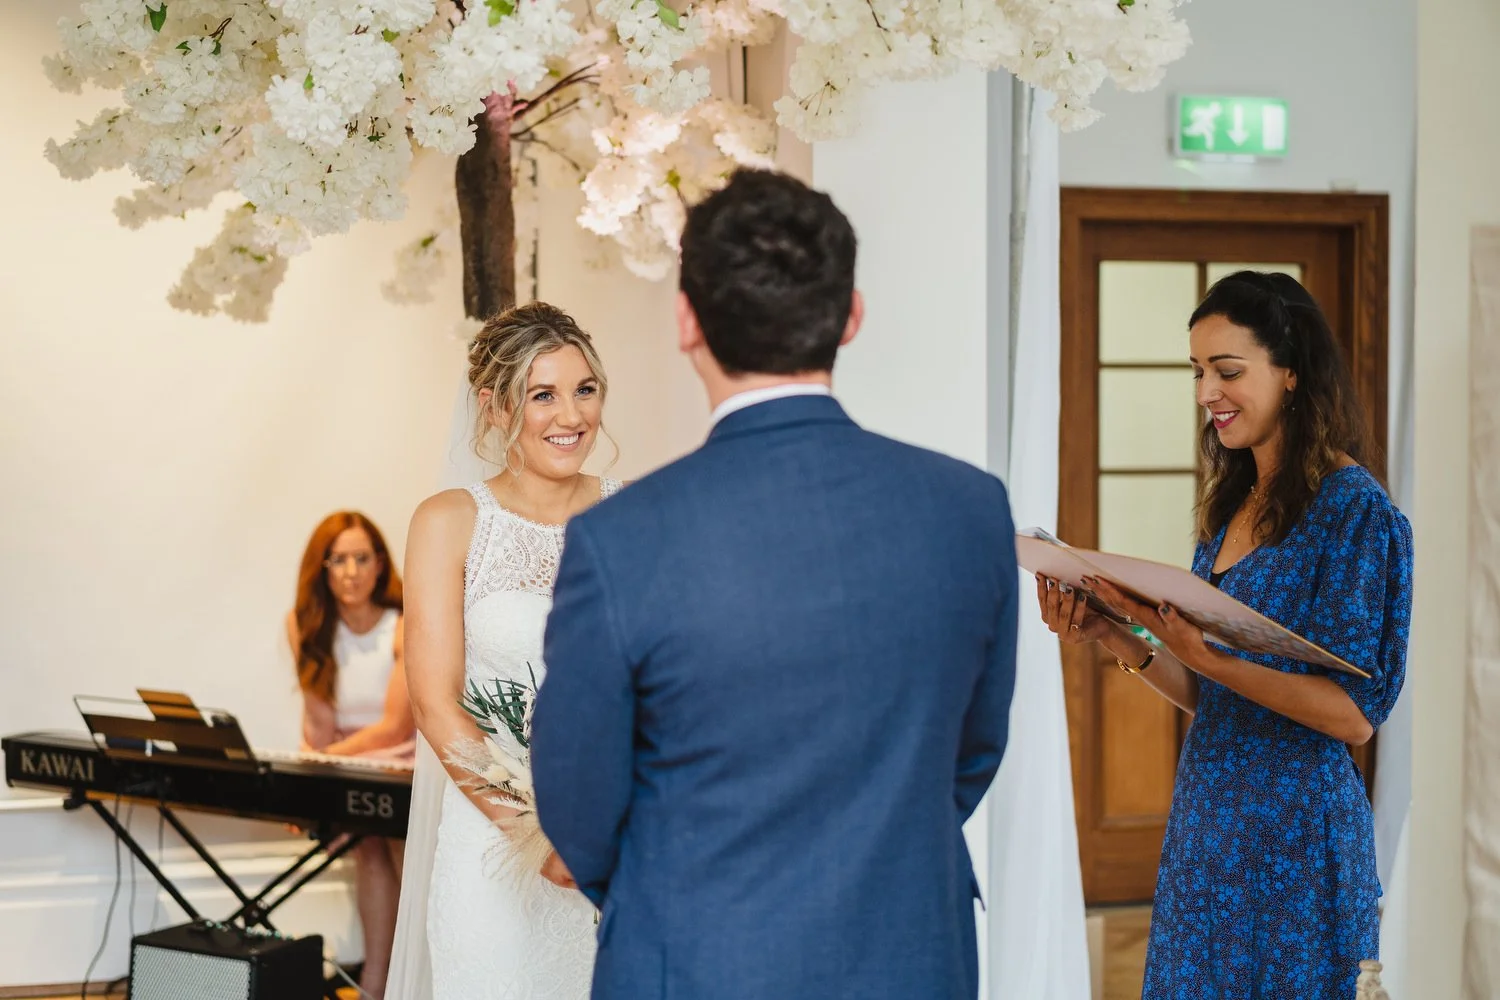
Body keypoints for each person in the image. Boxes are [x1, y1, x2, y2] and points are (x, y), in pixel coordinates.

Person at [530, 168, 1020, 1000]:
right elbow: (973, 751)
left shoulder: (622, 539)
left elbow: (577, 799)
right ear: (852, 316)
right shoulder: (970, 510)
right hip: (910, 955)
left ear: (686, 321)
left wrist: (674, 900)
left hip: (694, 958)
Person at [1034, 271, 1413, 997]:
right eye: (1199, 371)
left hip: (1299, 841)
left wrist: (1208, 657)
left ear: (1292, 373)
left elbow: (1353, 717)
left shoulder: (1356, 513)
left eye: (1228, 370)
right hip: (1208, 826)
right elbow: (1215, 694)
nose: (1208, 391)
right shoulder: (1231, 508)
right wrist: (1116, 634)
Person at [388, 302, 620, 1000]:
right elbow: (435, 701)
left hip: (614, 841)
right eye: (541, 394)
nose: (570, 416)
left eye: (584, 389)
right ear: (493, 407)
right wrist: (532, 833)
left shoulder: (636, 513)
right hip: (492, 843)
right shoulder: (449, 521)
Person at [287, 511, 412, 1000]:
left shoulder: (403, 625)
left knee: (402, 847)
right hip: (346, 762)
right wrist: (302, 782)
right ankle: (376, 985)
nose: (351, 571)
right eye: (338, 560)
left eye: (362, 558)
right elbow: (318, 726)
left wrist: (323, 762)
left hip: (404, 758)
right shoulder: (308, 627)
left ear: (380, 565)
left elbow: (397, 725)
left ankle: (415, 983)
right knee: (370, 849)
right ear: (322, 569)